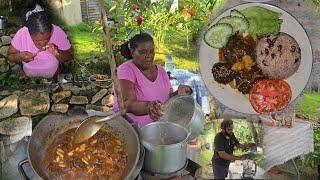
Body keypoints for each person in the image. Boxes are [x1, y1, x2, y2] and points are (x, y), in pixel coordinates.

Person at [113, 32, 192, 128]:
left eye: (151, 51)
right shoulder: (126, 70)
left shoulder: (161, 71)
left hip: (158, 129)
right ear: (133, 52)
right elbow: (127, 104)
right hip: (133, 130)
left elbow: (167, 99)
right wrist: (149, 107)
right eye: (143, 52)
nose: (148, 56)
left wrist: (179, 93)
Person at [7, 4, 73, 78]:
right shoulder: (22, 33)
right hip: (28, 79)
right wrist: (19, 56)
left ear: (51, 32)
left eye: (46, 40)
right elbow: (10, 56)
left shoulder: (57, 31)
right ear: (28, 33)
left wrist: (58, 53)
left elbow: (69, 56)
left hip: (53, 78)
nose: (42, 45)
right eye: (36, 41)